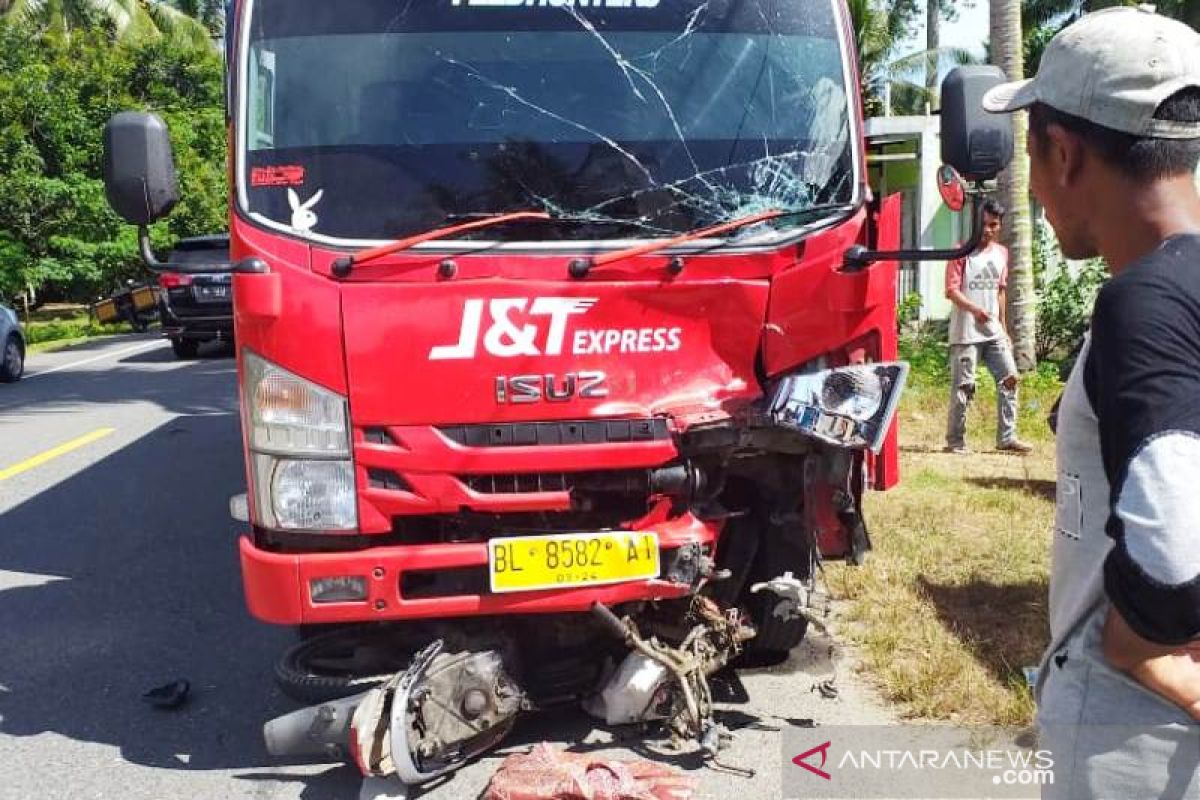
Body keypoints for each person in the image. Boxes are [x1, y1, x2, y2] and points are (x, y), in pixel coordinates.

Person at [984, 6, 1200, 798]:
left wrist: (1138, 643)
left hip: (1134, 736)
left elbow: (1173, 547)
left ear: (1065, 153)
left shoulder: (1144, 304)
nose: (1034, 190)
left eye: (1032, 157)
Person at [943, 199, 1031, 454]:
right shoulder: (960, 251)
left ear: (1000, 226)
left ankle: (1007, 437)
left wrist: (1003, 328)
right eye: (983, 225)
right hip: (966, 331)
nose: (988, 230)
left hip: (993, 331)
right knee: (964, 386)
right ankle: (955, 441)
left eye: (993, 225)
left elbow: (1000, 291)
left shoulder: (1002, 253)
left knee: (1010, 378)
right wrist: (974, 310)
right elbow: (950, 290)